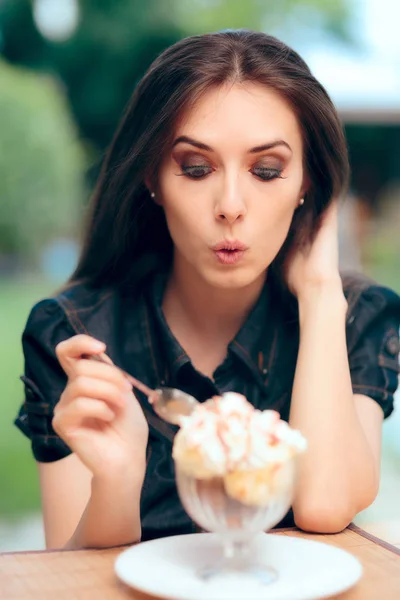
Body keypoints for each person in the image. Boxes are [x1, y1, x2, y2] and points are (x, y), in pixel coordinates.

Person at [15, 30, 400, 550]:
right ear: (152, 174)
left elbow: (324, 506)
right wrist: (117, 481)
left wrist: (320, 297)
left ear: (307, 183)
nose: (231, 205)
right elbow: (65, 576)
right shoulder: (73, 334)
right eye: (196, 168)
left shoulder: (355, 317)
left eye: (267, 171)